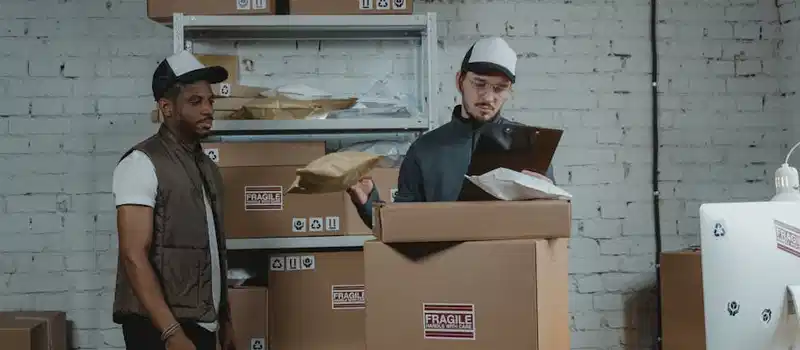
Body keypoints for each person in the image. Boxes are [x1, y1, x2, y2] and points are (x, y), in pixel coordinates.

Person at [348, 37, 555, 226]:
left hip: (507, 256)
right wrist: (368, 203)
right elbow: (403, 228)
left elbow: (550, 225)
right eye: (479, 84)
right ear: (459, 81)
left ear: (509, 91)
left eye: (499, 88)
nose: (488, 97)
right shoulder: (424, 149)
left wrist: (549, 199)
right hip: (445, 257)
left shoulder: (529, 147)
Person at [110, 50, 236, 350]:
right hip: (157, 328)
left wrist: (225, 320)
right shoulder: (141, 162)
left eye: (210, 101)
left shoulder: (207, 167)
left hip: (201, 323)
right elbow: (133, 255)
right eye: (195, 101)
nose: (208, 109)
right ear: (166, 107)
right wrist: (171, 332)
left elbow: (212, 250)